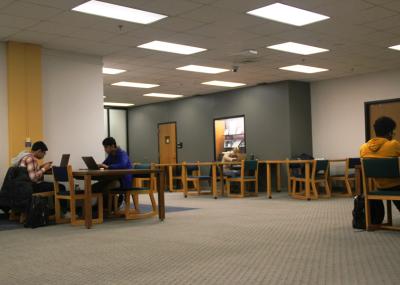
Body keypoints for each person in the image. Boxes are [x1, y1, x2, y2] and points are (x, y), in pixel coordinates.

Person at [360, 116, 400, 210]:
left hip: (379, 187)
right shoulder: (394, 145)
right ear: (390, 132)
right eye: (394, 130)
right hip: (397, 186)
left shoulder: (363, 148)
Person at [93, 137, 133, 207]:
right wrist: (99, 166)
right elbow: (104, 164)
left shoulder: (122, 154)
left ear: (112, 146)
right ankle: (103, 207)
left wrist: (108, 167)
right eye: (104, 147)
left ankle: (108, 206)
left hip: (123, 181)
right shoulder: (111, 156)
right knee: (95, 187)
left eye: (106, 147)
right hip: (113, 178)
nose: (105, 149)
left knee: (104, 187)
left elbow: (122, 165)